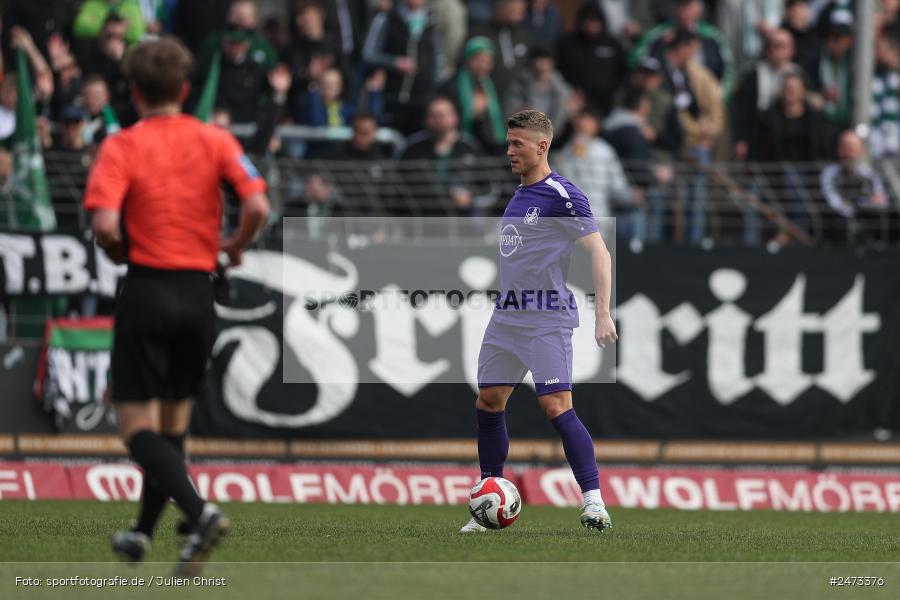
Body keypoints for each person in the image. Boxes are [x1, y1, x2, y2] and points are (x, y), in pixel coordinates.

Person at [82, 37, 270, 575]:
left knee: (136, 427)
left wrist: (120, 250)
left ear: (134, 92)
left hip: (146, 288)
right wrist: (233, 247)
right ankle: (143, 533)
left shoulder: (121, 145)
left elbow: (104, 225)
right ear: (184, 90)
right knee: (172, 425)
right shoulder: (214, 138)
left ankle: (201, 513)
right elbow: (256, 203)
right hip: (199, 291)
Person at [458, 109, 617, 534]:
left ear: (541, 146)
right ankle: (490, 491)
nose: (510, 151)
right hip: (507, 318)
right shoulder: (519, 194)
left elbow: (599, 252)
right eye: (509, 143)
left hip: (546, 318)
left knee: (555, 407)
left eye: (517, 144)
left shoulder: (561, 195)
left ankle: (594, 503)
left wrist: (602, 312)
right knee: (488, 402)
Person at [362, 0, 443, 135]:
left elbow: (438, 61)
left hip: (422, 100)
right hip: (392, 98)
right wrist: (394, 62)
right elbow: (369, 53)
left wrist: (435, 93)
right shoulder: (387, 18)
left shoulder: (432, 21)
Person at [399, 96, 485, 215]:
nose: (438, 120)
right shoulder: (411, 149)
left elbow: (486, 186)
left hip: (462, 219)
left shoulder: (470, 147)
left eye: (442, 115)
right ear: (425, 119)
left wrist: (470, 196)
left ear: (455, 118)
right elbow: (398, 187)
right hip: (420, 220)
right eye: (433, 115)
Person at [732, 29, 803, 161]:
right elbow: (742, 110)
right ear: (767, 50)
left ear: (792, 50)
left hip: (790, 138)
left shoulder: (799, 75)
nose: (778, 51)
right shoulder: (754, 75)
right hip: (760, 137)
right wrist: (740, 139)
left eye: (782, 46)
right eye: (774, 46)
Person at [556, 3, 628, 117]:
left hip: (606, 102)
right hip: (573, 99)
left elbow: (624, 71)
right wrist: (569, 91)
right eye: (588, 21)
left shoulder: (612, 44)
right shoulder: (567, 43)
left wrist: (613, 92)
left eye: (595, 21)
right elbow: (557, 70)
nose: (591, 25)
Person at [820, 130, 890, 244]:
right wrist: (856, 208)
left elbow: (882, 201)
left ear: (861, 150)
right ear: (839, 150)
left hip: (868, 220)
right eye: (845, 146)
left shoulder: (869, 174)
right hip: (839, 225)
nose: (848, 152)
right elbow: (833, 201)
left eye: (852, 147)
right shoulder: (830, 173)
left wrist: (868, 204)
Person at [504, 47, 572, 135]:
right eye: (540, 60)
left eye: (547, 61)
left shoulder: (560, 86)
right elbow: (510, 114)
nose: (543, 65)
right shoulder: (520, 84)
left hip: (554, 139)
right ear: (532, 63)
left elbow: (568, 110)